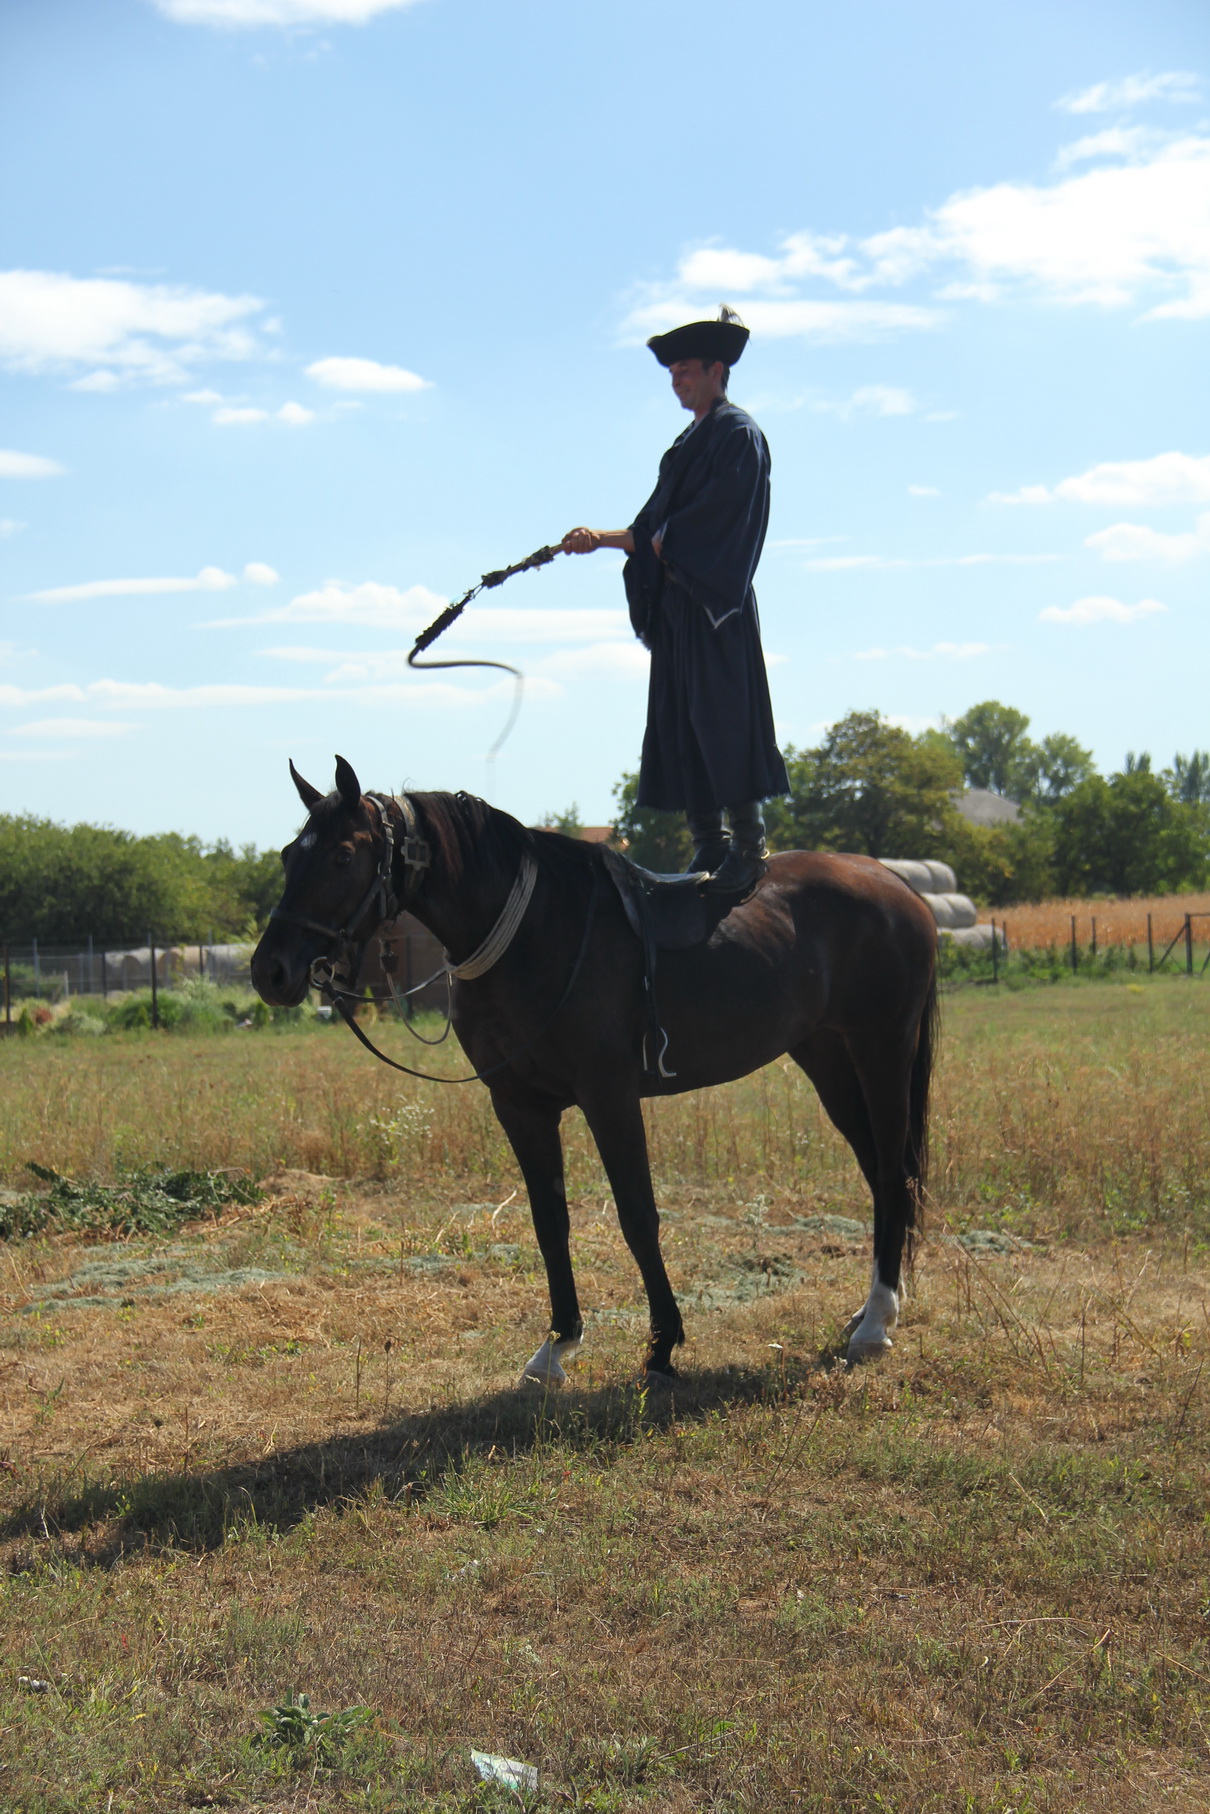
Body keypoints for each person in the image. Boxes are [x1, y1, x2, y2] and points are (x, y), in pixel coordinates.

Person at [562, 307, 788, 895]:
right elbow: (651, 531)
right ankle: (709, 843)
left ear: (717, 370)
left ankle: (748, 848)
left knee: (722, 720)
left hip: (716, 605)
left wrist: (663, 542)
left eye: (685, 370)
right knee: (682, 722)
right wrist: (597, 538)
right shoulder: (686, 444)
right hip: (679, 609)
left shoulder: (738, 436)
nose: (676, 381)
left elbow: (711, 523)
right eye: (672, 372)